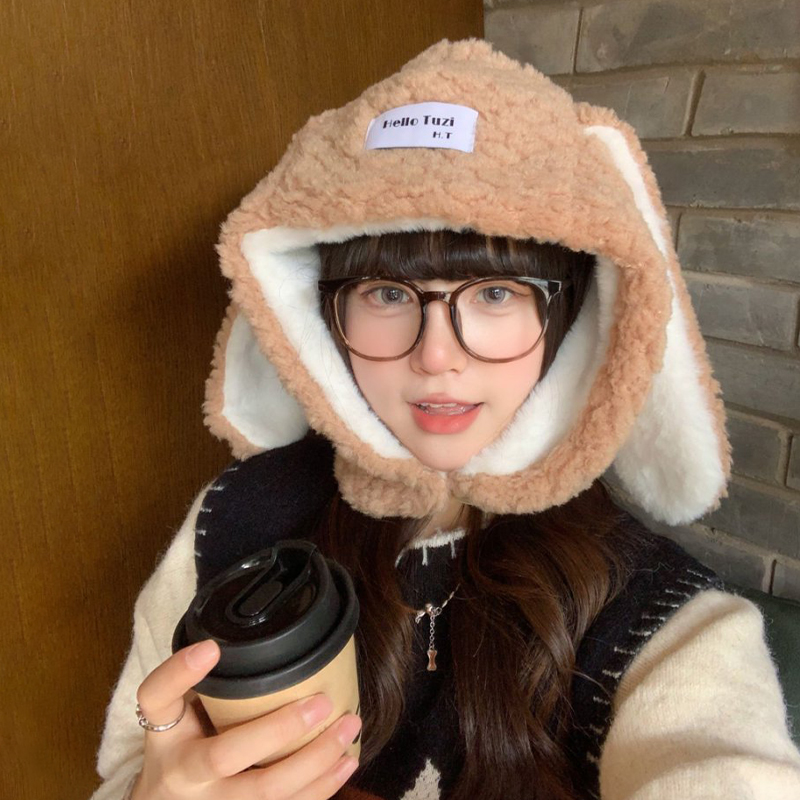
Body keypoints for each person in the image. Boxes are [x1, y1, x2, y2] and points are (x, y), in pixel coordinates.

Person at [91, 39, 800, 800]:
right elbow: (127, 765)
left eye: (495, 293)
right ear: (317, 319)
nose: (436, 357)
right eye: (388, 293)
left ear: (572, 320)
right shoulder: (231, 528)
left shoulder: (655, 614)